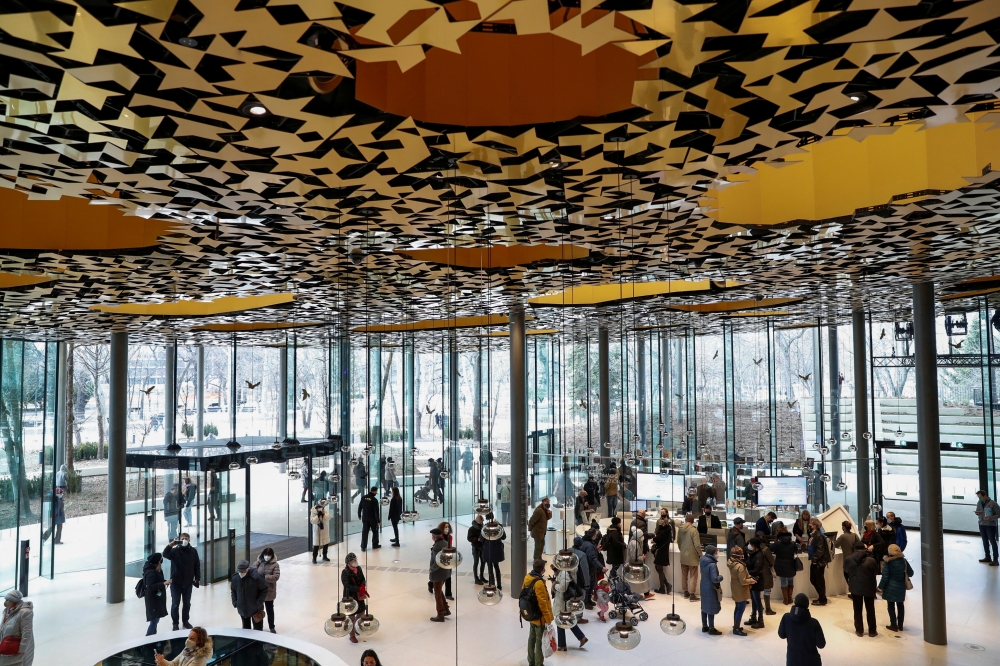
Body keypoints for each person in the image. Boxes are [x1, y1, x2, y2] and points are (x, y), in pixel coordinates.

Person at [163, 532, 200, 631]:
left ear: (189, 540)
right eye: (182, 538)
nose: (184, 540)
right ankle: (175, 623)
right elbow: (165, 554)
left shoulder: (193, 551)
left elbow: (197, 565)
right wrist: (170, 545)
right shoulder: (175, 551)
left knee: (187, 603)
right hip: (176, 583)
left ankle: (185, 621)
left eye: (186, 538)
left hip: (188, 583)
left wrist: (197, 578)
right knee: (175, 604)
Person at [778, 594, 826, 666]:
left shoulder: (786, 617)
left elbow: (781, 635)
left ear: (794, 602)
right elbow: (821, 644)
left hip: (792, 660)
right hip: (811, 661)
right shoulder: (814, 623)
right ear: (807, 605)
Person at [522, 559, 553, 666]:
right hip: (539, 617)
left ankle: (531, 660)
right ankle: (538, 663)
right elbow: (542, 603)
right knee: (539, 642)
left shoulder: (528, 577)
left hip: (531, 614)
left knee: (531, 638)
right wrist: (548, 618)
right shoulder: (539, 582)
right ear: (543, 569)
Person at [844, 542, 878, 636]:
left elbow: (846, 570)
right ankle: (872, 631)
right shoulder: (871, 560)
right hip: (869, 587)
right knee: (870, 609)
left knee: (857, 609)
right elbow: (876, 572)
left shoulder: (848, 559)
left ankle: (859, 630)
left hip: (855, 587)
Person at [878, 543, 913, 632]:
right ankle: (900, 625)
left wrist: (880, 587)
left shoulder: (888, 562)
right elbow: (911, 573)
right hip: (901, 587)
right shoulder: (904, 561)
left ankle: (893, 625)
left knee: (891, 605)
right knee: (900, 605)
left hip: (890, 587)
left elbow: (885, 577)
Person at [551, 567, 588, 650]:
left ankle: (562, 645)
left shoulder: (564, 573)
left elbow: (562, 588)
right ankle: (582, 637)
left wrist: (554, 584)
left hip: (562, 601)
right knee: (566, 620)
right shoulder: (563, 571)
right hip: (562, 600)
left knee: (560, 620)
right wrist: (555, 570)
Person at [230, 559, 267, 630]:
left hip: (256, 609)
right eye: (239, 571)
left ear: (247, 569)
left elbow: (264, 589)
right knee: (246, 630)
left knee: (258, 630)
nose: (241, 573)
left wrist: (258, 603)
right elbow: (233, 590)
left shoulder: (256, 577)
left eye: (243, 571)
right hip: (242, 609)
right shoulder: (235, 578)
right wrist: (235, 602)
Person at [728, 546, 755, 636]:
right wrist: (751, 580)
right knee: (740, 609)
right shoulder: (740, 566)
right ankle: (736, 629)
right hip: (741, 590)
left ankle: (736, 626)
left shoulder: (731, 563)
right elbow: (743, 581)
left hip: (735, 588)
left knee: (737, 608)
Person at [342, 553, 368, 643]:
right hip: (350, 597)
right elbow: (347, 585)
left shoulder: (359, 569)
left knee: (361, 611)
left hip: (359, 595)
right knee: (351, 616)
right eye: (354, 560)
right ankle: (352, 635)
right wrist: (358, 588)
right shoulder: (345, 572)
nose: (356, 561)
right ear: (349, 562)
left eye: (356, 559)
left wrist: (363, 585)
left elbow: (363, 579)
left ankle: (355, 626)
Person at [699, 543, 724, 635]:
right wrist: (721, 577)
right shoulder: (712, 565)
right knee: (710, 608)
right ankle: (711, 628)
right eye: (716, 552)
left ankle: (704, 626)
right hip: (711, 588)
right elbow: (715, 579)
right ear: (713, 553)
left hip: (703, 586)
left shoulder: (702, 560)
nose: (717, 553)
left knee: (704, 607)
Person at [253, 547, 280, 633]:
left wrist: (265, 577)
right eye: (265, 555)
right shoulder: (258, 562)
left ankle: (271, 626)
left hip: (269, 592)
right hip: (259, 591)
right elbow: (252, 571)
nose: (267, 557)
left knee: (269, 610)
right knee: (258, 610)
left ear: (272, 556)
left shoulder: (275, 565)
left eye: (269, 555)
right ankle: (258, 626)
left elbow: (276, 577)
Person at [143, 553, 170, 636]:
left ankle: (153, 637)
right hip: (153, 599)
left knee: (156, 619)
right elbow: (151, 586)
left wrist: (165, 582)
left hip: (157, 598)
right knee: (154, 620)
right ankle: (148, 638)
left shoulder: (156, 569)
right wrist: (163, 583)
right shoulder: (151, 572)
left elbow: (158, 580)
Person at [677, 513, 701, 601]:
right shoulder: (694, 530)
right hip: (692, 556)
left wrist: (682, 550)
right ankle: (692, 594)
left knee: (684, 575)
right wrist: (700, 554)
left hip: (683, 555)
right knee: (693, 576)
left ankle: (685, 592)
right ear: (693, 521)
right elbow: (697, 545)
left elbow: (678, 541)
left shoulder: (680, 529)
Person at [429, 528, 451, 622]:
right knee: (439, 590)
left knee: (437, 594)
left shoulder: (437, 546)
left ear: (434, 537)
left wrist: (431, 569)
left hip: (438, 573)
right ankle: (446, 610)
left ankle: (440, 614)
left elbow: (437, 561)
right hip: (445, 571)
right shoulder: (446, 543)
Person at [772, 524, 798, 605]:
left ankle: (785, 600)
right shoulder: (793, 544)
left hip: (780, 565)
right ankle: (790, 598)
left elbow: (771, 549)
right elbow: (796, 551)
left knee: (783, 581)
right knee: (791, 581)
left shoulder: (777, 544)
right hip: (791, 565)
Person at [626, 525, 654, 599]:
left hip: (637, 563)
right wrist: (642, 557)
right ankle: (642, 593)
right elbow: (634, 557)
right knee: (640, 578)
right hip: (635, 564)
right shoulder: (635, 544)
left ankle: (646, 593)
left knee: (643, 578)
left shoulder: (636, 542)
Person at [808, 518, 830, 606]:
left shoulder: (819, 536)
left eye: (811, 524)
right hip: (816, 560)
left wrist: (814, 559)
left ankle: (822, 599)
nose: (809, 525)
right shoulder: (814, 535)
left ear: (815, 526)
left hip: (818, 562)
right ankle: (822, 597)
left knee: (818, 580)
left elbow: (820, 550)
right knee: (814, 579)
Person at [482, 512, 506, 590]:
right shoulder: (499, 526)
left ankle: (492, 584)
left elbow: (482, 539)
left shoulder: (485, 527)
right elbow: (504, 537)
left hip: (488, 549)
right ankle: (499, 585)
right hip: (497, 549)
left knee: (490, 567)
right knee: (496, 567)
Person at [578, 529, 602, 606]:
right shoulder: (590, 546)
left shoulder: (584, 542)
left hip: (585, 567)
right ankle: (586, 601)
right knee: (590, 585)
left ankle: (588, 600)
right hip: (590, 568)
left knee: (590, 584)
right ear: (593, 536)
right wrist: (601, 567)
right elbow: (592, 558)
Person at [975, 489, 1000, 565]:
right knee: (985, 541)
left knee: (993, 542)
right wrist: (977, 513)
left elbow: (999, 514)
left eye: (980, 497)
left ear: (985, 496)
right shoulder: (979, 503)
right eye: (978, 497)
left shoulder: (993, 504)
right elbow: (978, 511)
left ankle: (995, 559)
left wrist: (990, 518)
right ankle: (987, 557)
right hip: (982, 524)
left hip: (991, 525)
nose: (980, 499)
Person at [652, 510, 673, 594]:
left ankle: (663, 587)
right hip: (663, 550)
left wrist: (654, 536)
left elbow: (656, 539)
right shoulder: (667, 529)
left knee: (659, 568)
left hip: (661, 551)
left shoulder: (663, 531)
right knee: (658, 568)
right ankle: (666, 585)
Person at [835, 521, 860, 593]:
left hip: (847, 559)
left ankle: (853, 591)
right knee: (855, 576)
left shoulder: (843, 536)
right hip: (856, 558)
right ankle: (856, 591)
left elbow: (836, 545)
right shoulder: (855, 535)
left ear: (844, 527)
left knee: (847, 575)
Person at [358, 486, 382, 551]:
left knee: (365, 532)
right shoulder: (374, 500)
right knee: (375, 531)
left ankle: (363, 546)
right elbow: (376, 512)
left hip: (365, 517)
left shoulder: (363, 498)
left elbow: (360, 506)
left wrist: (359, 514)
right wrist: (378, 521)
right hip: (372, 519)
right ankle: (375, 544)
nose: (376, 493)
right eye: (376, 492)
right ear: (374, 491)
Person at [468, 514, 486, 584]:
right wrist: (477, 539)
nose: (481, 523)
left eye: (482, 522)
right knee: (476, 563)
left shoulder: (483, 527)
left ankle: (481, 576)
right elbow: (469, 538)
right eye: (480, 522)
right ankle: (476, 578)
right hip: (475, 547)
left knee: (483, 562)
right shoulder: (471, 529)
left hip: (482, 547)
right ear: (477, 521)